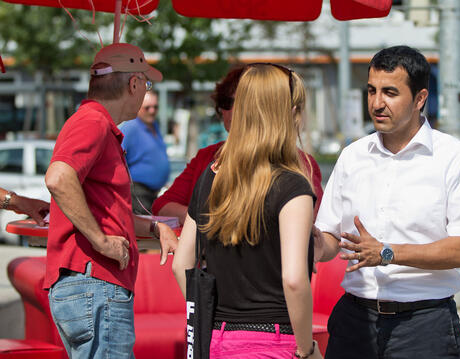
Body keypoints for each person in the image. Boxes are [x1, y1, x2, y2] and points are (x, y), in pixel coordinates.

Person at [313, 46, 460, 359]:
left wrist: (387, 253)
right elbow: (330, 238)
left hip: (424, 325)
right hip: (353, 319)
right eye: (371, 91)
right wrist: (303, 241)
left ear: (420, 98)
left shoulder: (456, 159)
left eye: (390, 92)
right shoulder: (352, 157)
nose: (377, 103)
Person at [172, 64, 322, 359]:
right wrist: (307, 349)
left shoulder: (211, 176)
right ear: (289, 113)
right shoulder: (292, 185)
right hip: (274, 340)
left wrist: (206, 319)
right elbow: (294, 279)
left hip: (216, 339)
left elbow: (182, 264)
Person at [43, 43, 178, 359]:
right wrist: (101, 241)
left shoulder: (95, 122)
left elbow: (106, 210)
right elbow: (58, 178)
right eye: (146, 84)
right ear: (133, 84)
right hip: (95, 282)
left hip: (91, 284)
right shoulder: (93, 121)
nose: (146, 92)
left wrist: (155, 229)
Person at [152, 65, 323, 224]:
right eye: (227, 102)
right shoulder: (209, 159)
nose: (235, 110)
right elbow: (162, 206)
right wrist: (213, 223)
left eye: (243, 102)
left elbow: (315, 223)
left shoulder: (298, 163)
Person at [120, 91, 170, 214]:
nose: (152, 111)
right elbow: (117, 159)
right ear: (138, 107)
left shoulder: (154, 125)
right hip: (137, 192)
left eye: (155, 107)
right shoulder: (130, 127)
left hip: (154, 193)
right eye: (147, 108)